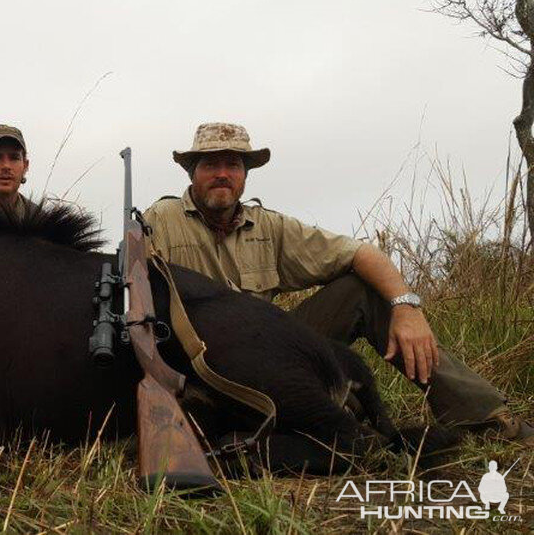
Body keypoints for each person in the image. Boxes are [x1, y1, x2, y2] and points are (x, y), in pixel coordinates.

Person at [143, 121, 533, 447]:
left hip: (266, 357)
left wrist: (406, 307)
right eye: (211, 165)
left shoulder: (271, 226)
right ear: (191, 172)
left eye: (233, 164)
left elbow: (361, 254)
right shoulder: (159, 219)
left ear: (245, 176)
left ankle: (485, 419)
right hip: (194, 367)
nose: (222, 174)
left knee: (362, 291)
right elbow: (135, 300)